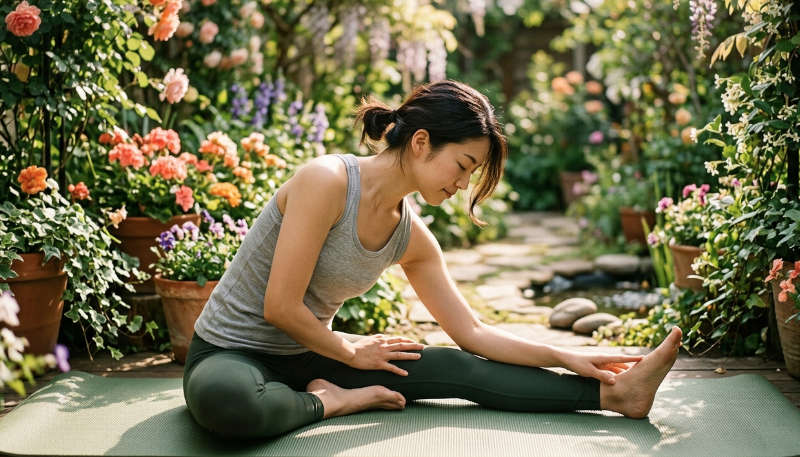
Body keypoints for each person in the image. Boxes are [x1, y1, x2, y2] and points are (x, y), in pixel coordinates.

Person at [183, 80, 683, 439]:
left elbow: (474, 333)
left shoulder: (410, 236)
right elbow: (280, 308)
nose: (464, 184)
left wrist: (564, 356)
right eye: (464, 166)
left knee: (458, 367)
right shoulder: (327, 181)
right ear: (421, 142)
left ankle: (617, 398)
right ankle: (329, 402)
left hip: (316, 356)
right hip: (232, 353)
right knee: (229, 402)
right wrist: (353, 358)